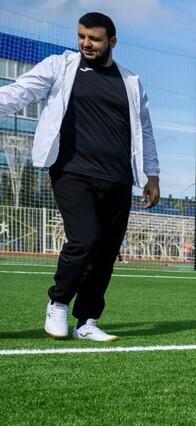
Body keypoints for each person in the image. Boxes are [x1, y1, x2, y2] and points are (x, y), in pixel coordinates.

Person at [0, 12, 159, 342]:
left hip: (117, 178)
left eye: (95, 38)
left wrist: (152, 175)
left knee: (106, 251)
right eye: (82, 36)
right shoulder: (61, 66)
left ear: (111, 42)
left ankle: (86, 321)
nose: (86, 43)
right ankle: (57, 303)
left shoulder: (131, 82)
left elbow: (144, 129)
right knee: (84, 239)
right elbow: (19, 92)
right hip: (72, 171)